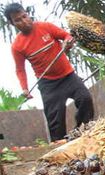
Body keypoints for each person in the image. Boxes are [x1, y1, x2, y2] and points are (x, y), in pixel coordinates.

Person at [4, 3, 94, 142]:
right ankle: (59, 146)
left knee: (85, 99)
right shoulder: (17, 46)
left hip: (68, 76)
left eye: (24, 16)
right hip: (48, 84)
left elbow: (66, 36)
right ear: (12, 23)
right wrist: (25, 88)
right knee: (55, 120)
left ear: (27, 14)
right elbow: (20, 69)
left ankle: (83, 132)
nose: (24, 21)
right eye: (18, 20)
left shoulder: (45, 27)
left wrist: (68, 42)